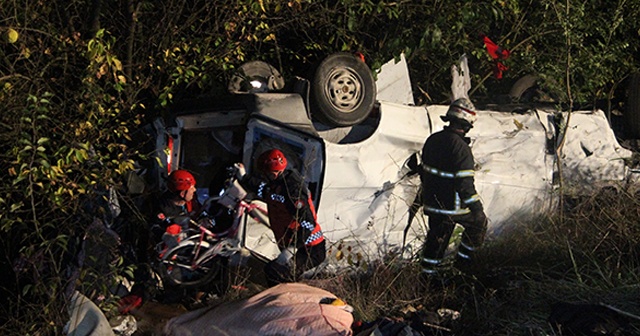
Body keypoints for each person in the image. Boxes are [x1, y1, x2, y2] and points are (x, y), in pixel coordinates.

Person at [417, 97, 488, 276]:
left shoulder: (432, 140)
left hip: (433, 204)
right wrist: (477, 209)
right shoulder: (461, 149)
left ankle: (427, 278)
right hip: (452, 207)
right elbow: (465, 185)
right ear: (466, 125)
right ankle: (463, 265)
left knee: (436, 243)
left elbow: (424, 172)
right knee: (478, 224)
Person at [237, 148, 326, 286]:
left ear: (272, 174)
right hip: (297, 245)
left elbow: (308, 222)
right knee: (282, 275)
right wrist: (244, 178)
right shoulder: (277, 184)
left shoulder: (293, 190)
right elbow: (264, 190)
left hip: (309, 248)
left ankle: (283, 305)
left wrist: (292, 248)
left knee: (276, 273)